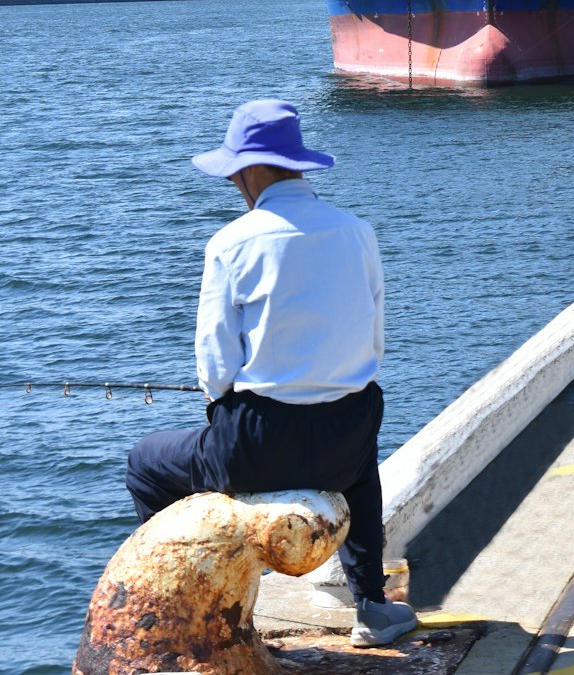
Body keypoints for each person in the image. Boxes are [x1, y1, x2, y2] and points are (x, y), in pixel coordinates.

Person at [125, 99, 417, 650]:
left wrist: (226, 411)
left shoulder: (231, 244)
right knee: (363, 465)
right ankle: (373, 607)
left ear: (255, 168)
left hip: (253, 449)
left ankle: (182, 601)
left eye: (236, 169)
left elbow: (215, 366)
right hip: (344, 443)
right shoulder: (359, 233)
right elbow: (372, 344)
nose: (234, 180)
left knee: (145, 463)